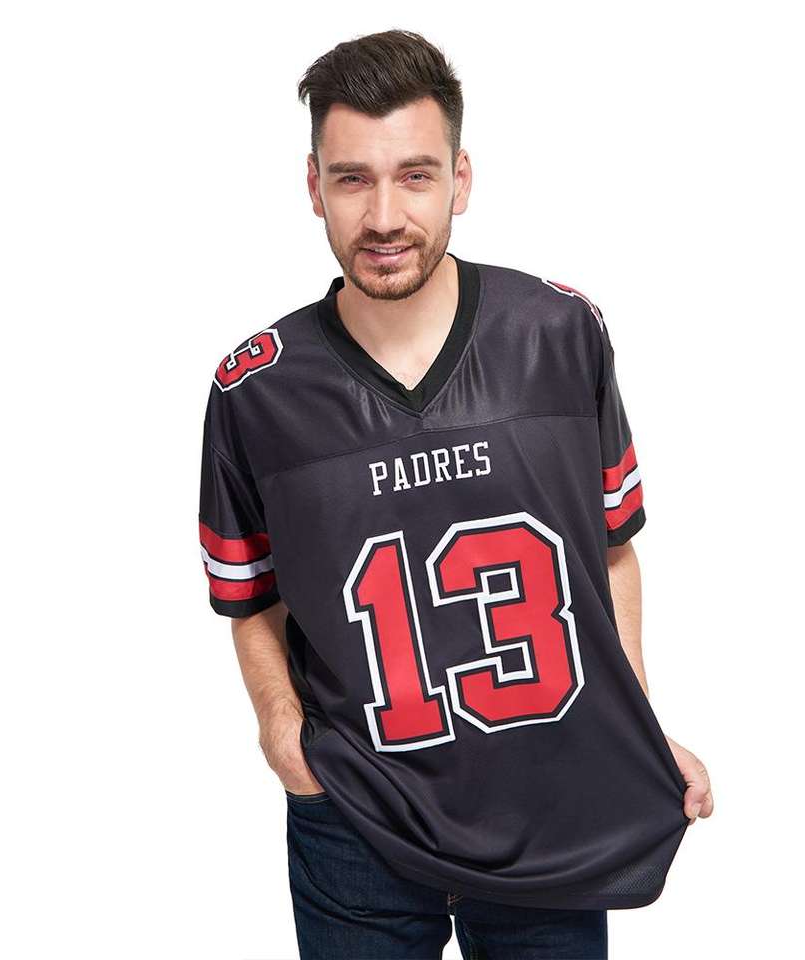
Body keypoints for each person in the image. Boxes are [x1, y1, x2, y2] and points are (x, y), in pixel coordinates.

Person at [198, 28, 713, 960]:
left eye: (416, 176)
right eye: (352, 179)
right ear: (313, 186)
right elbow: (249, 594)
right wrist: (283, 733)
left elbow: (610, 551)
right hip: (357, 817)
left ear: (460, 180)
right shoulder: (256, 388)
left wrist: (638, 730)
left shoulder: (559, 333)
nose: (384, 215)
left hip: (551, 802)